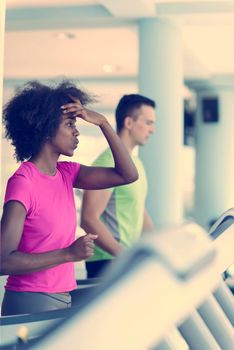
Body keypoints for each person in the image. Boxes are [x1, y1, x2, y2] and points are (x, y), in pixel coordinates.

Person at [0, 81, 138, 315]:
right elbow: (3, 260)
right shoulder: (24, 182)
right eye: (69, 124)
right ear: (45, 128)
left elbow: (127, 174)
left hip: (61, 297)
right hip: (30, 300)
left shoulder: (67, 173)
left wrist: (103, 122)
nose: (76, 131)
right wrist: (68, 254)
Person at [80, 94, 156, 278]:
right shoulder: (107, 162)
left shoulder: (135, 162)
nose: (152, 130)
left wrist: (156, 248)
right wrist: (125, 256)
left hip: (125, 259)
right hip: (107, 261)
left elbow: (138, 209)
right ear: (129, 123)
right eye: (148, 122)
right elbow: (89, 219)